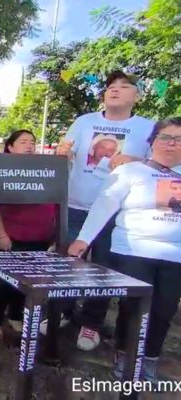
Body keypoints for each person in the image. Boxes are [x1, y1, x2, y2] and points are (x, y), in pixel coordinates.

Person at [68, 118, 181, 383]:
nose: (172, 143)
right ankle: (126, 355)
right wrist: (83, 241)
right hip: (132, 251)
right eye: (165, 137)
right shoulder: (131, 171)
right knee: (134, 309)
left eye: (179, 139)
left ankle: (150, 358)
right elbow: (104, 205)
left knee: (164, 311)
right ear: (152, 141)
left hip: (175, 257)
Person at [49, 71, 156, 351]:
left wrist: (137, 159)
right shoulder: (85, 122)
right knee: (66, 264)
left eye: (124, 86)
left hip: (115, 213)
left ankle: (91, 323)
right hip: (74, 206)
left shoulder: (148, 127)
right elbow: (66, 152)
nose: (115, 90)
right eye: (111, 87)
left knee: (103, 270)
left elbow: (163, 164)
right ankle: (61, 311)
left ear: (137, 96)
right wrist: (63, 153)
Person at [0, 130, 55, 338]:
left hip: (40, 236)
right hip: (10, 235)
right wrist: (2, 234)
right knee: (6, 280)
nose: (29, 145)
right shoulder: (1, 170)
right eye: (23, 142)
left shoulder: (44, 168)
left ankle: (15, 315)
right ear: (10, 146)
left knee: (27, 281)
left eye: (32, 142)